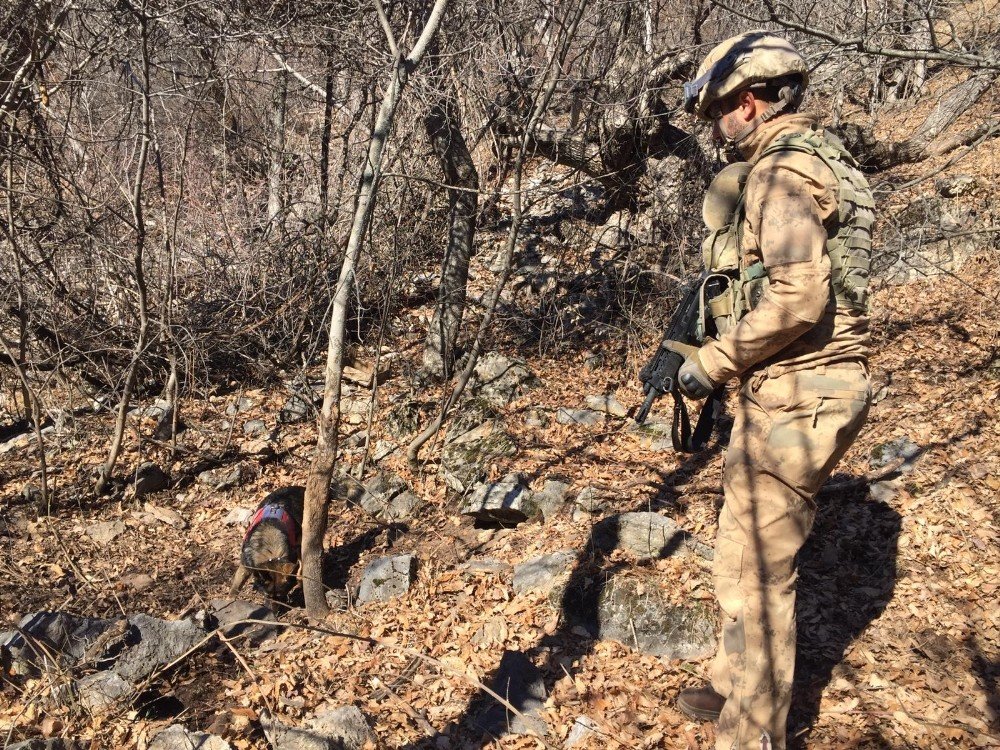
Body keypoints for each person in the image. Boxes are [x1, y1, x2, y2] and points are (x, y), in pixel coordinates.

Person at [668, 31, 875, 749]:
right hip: (802, 388)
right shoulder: (821, 160)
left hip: (800, 390)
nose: (717, 126)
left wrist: (713, 362)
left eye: (720, 110)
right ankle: (730, 684)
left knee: (757, 576)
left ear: (748, 104)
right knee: (739, 544)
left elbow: (796, 298)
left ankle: (750, 735)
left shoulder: (781, 174)